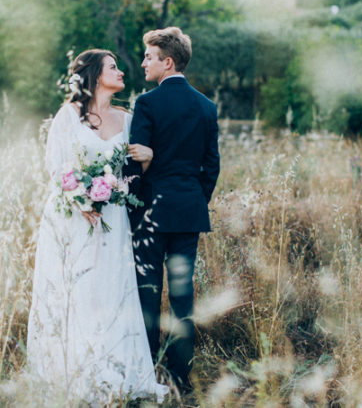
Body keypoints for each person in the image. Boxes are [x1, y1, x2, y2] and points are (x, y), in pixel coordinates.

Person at [26, 49, 168, 405]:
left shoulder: (128, 118)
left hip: (114, 218)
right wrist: (80, 199)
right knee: (76, 289)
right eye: (113, 67)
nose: (122, 72)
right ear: (93, 75)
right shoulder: (68, 115)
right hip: (73, 217)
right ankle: (70, 372)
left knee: (110, 288)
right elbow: (56, 166)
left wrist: (149, 160)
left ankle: (116, 374)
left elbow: (134, 173)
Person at [127, 27, 220, 395]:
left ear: (167, 62)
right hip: (187, 214)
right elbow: (210, 167)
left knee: (147, 294)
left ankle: (147, 374)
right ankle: (184, 380)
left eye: (148, 56)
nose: (143, 62)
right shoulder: (207, 106)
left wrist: (135, 210)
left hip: (149, 215)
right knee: (183, 296)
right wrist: (195, 200)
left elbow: (136, 166)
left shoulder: (146, 104)